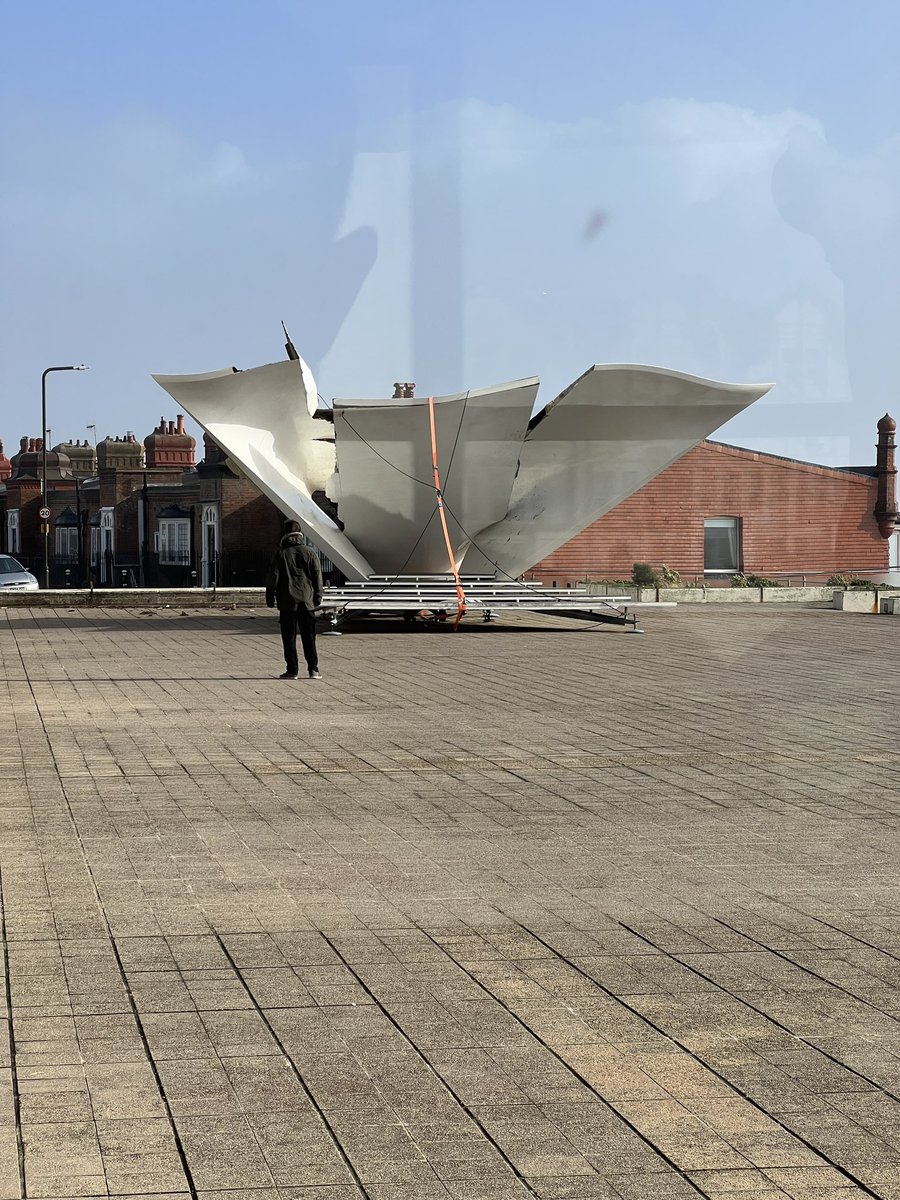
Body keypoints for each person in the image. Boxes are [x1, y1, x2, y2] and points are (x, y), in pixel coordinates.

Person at [265, 520, 324, 679]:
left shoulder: (281, 553)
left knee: (289, 637)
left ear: (285, 533)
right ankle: (313, 669)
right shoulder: (310, 552)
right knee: (309, 636)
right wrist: (318, 596)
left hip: (286, 602)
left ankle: (292, 670)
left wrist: (270, 598)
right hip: (306, 601)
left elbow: (273, 578)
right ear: (300, 533)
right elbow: (317, 576)